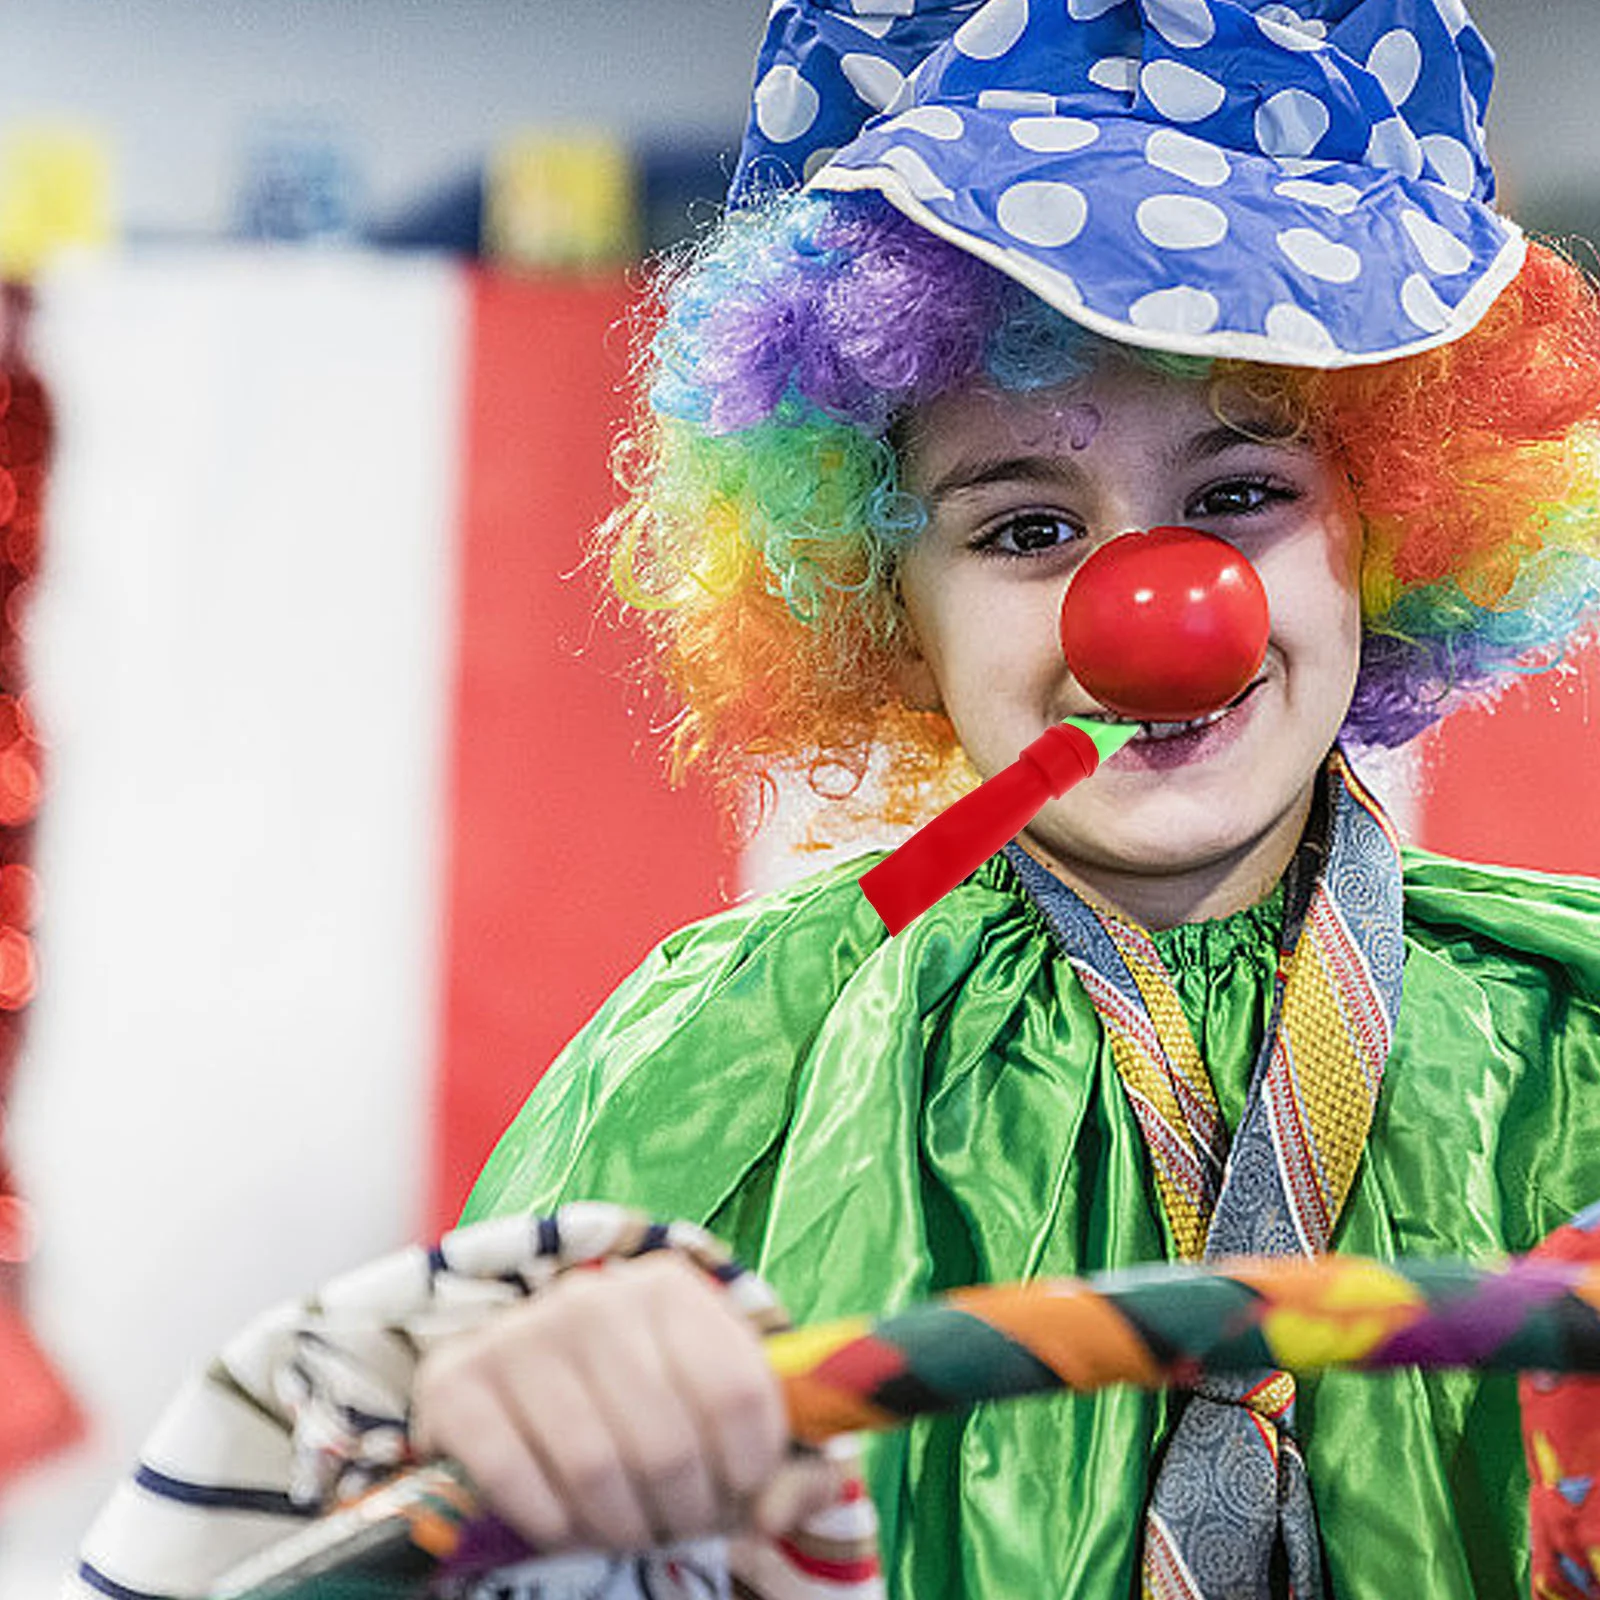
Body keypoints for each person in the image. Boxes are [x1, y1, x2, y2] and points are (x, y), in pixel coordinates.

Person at [69, 3, 1600, 1599]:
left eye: (1237, 498)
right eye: (1022, 531)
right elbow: (381, 1539)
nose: (1154, 606)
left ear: (1391, 527)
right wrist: (509, 1401)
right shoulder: (733, 1057)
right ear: (879, 592)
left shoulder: (1574, 1037)